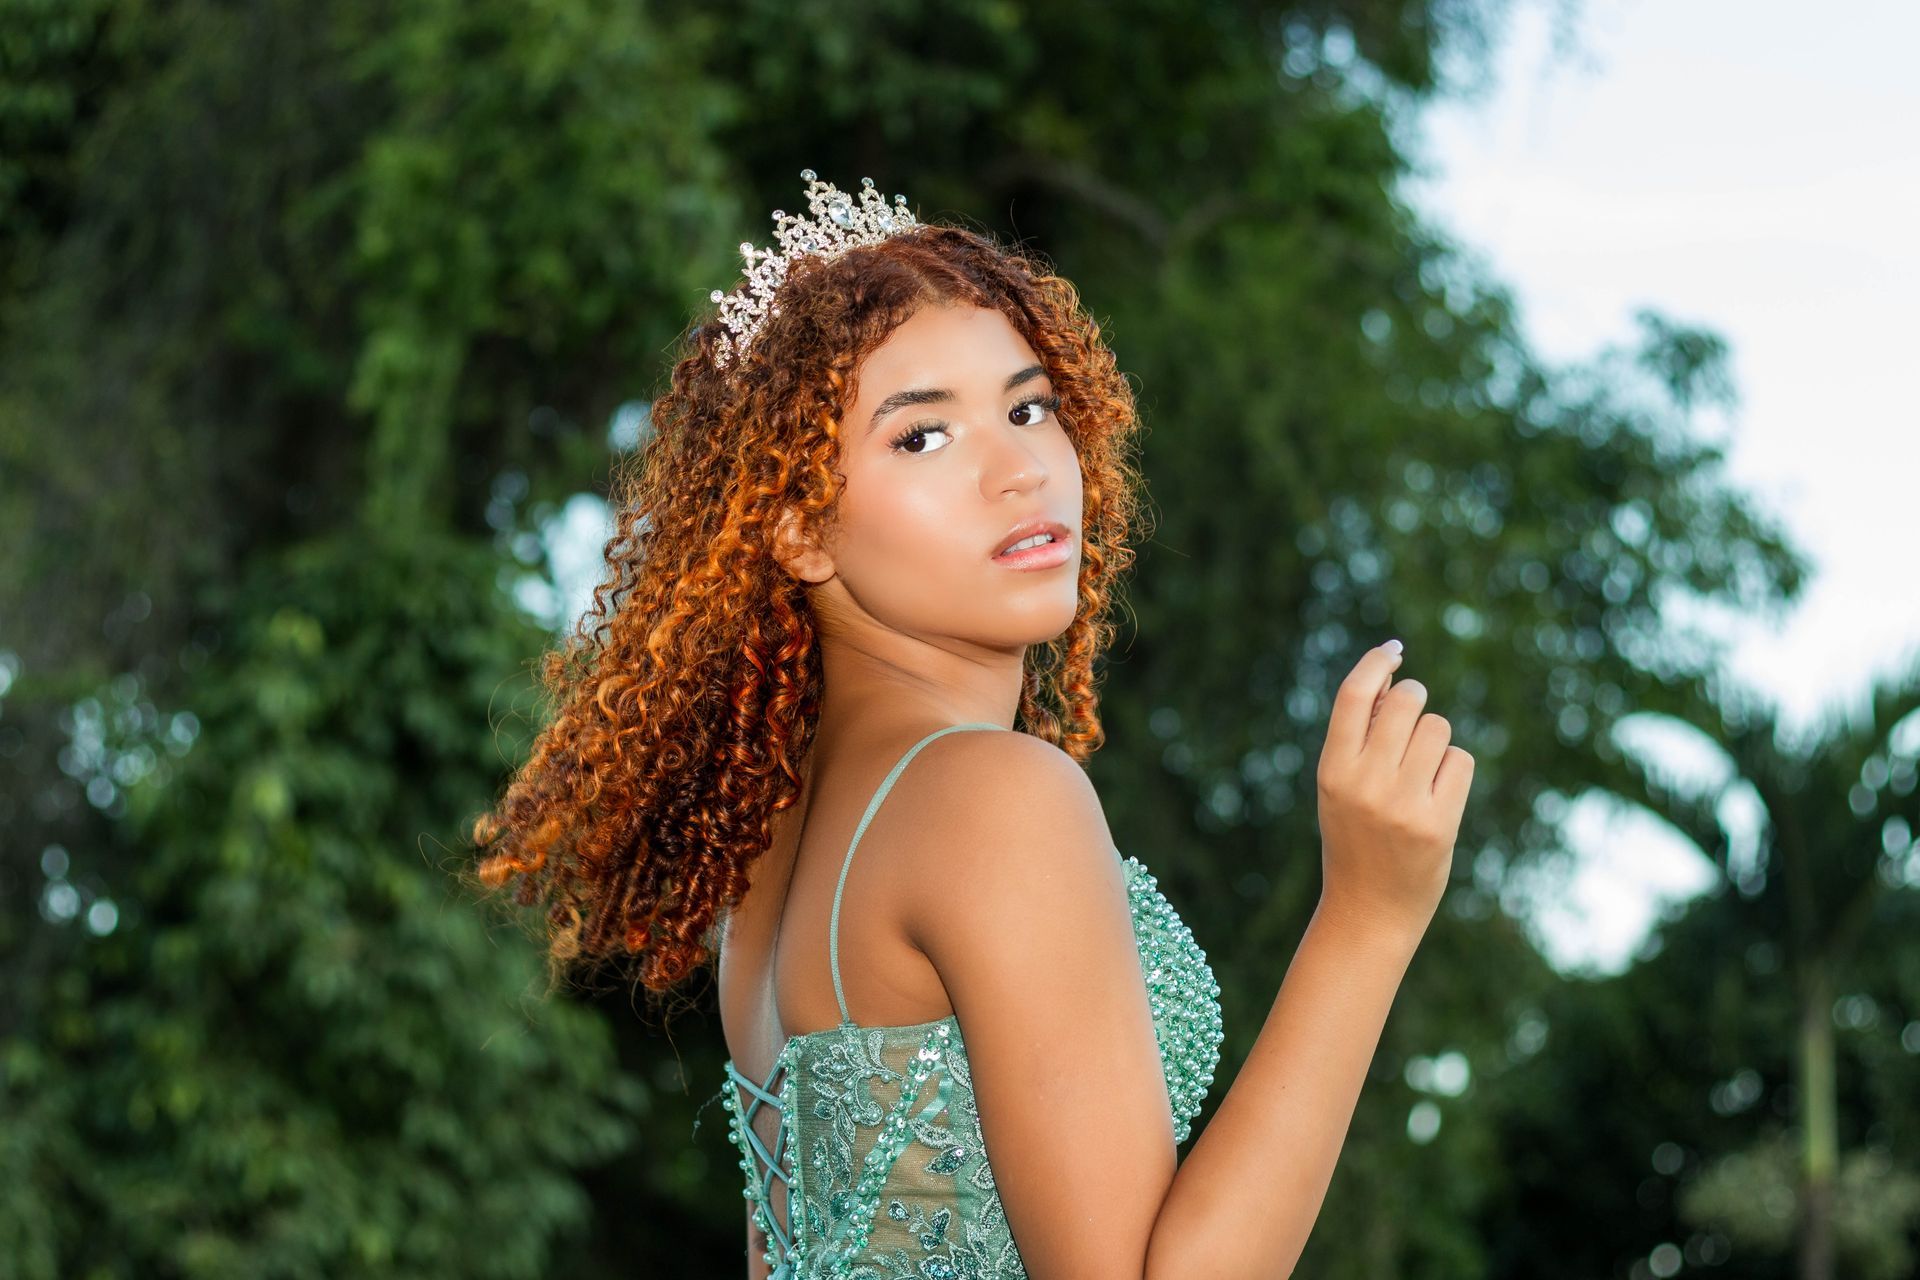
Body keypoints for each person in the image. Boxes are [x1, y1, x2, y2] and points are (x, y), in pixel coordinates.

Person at [470, 171, 1473, 1279]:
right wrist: (1368, 918)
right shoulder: (990, 795)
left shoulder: (775, 842)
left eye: (1028, 405)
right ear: (798, 527)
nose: (1019, 468)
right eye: (922, 438)